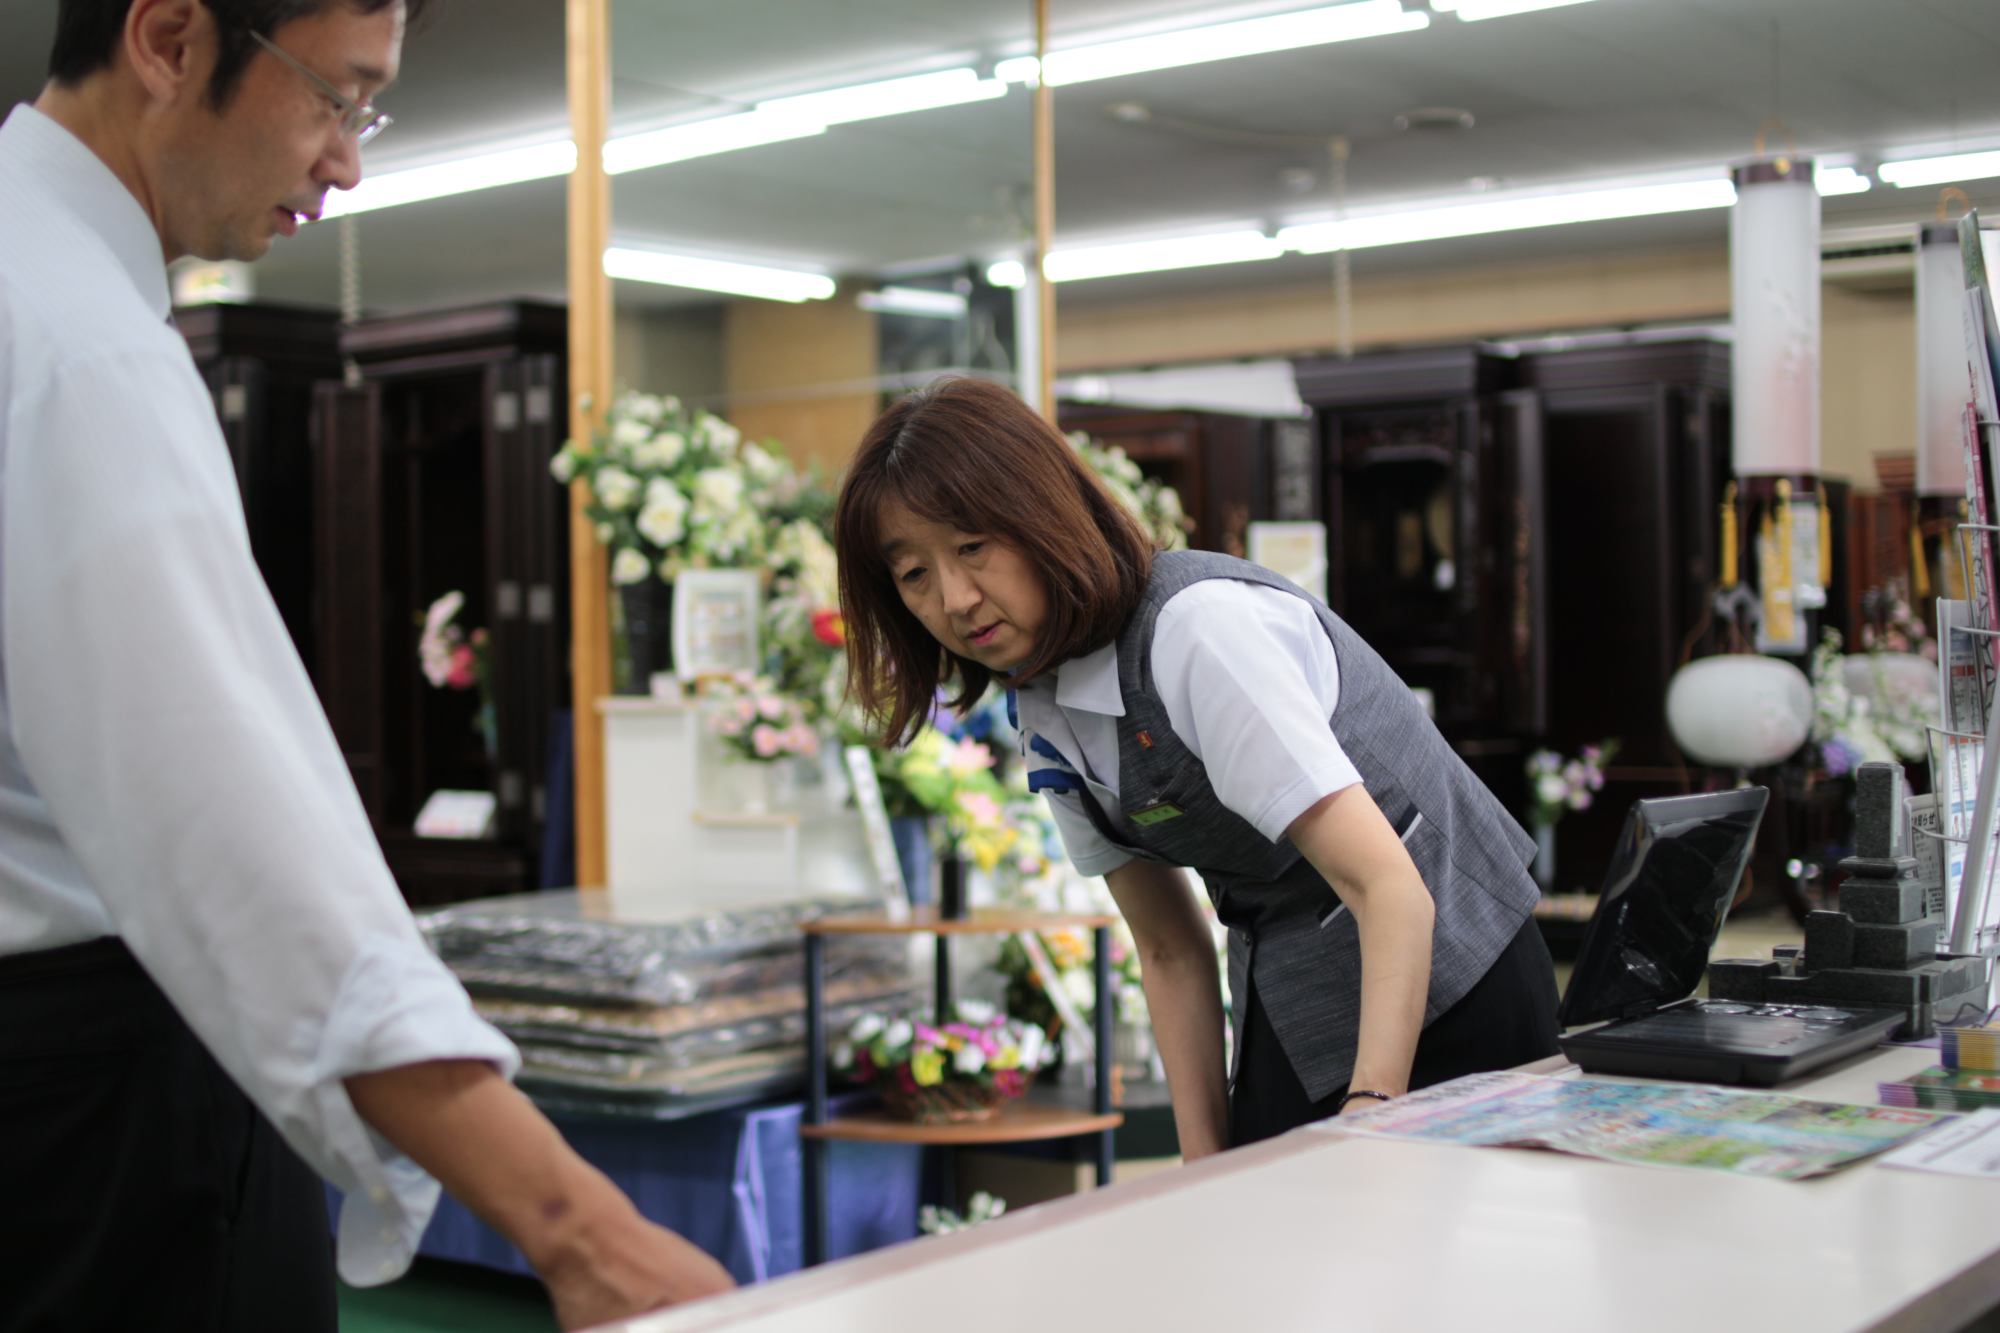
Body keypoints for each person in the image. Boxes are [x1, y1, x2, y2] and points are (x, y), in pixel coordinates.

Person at [0, 2, 733, 1328]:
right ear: (169, 38)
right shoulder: (76, 350)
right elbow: (232, 842)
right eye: (339, 97)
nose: (349, 161)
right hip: (91, 1123)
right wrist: (579, 1229)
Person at [834, 377, 1560, 1155]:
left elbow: (1387, 888)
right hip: (1292, 992)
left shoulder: (1196, 630)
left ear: (1040, 514)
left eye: (972, 547)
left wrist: (1373, 1109)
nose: (955, 597)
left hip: (1455, 974)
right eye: (914, 575)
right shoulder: (1042, 709)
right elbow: (1170, 947)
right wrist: (1198, 1163)